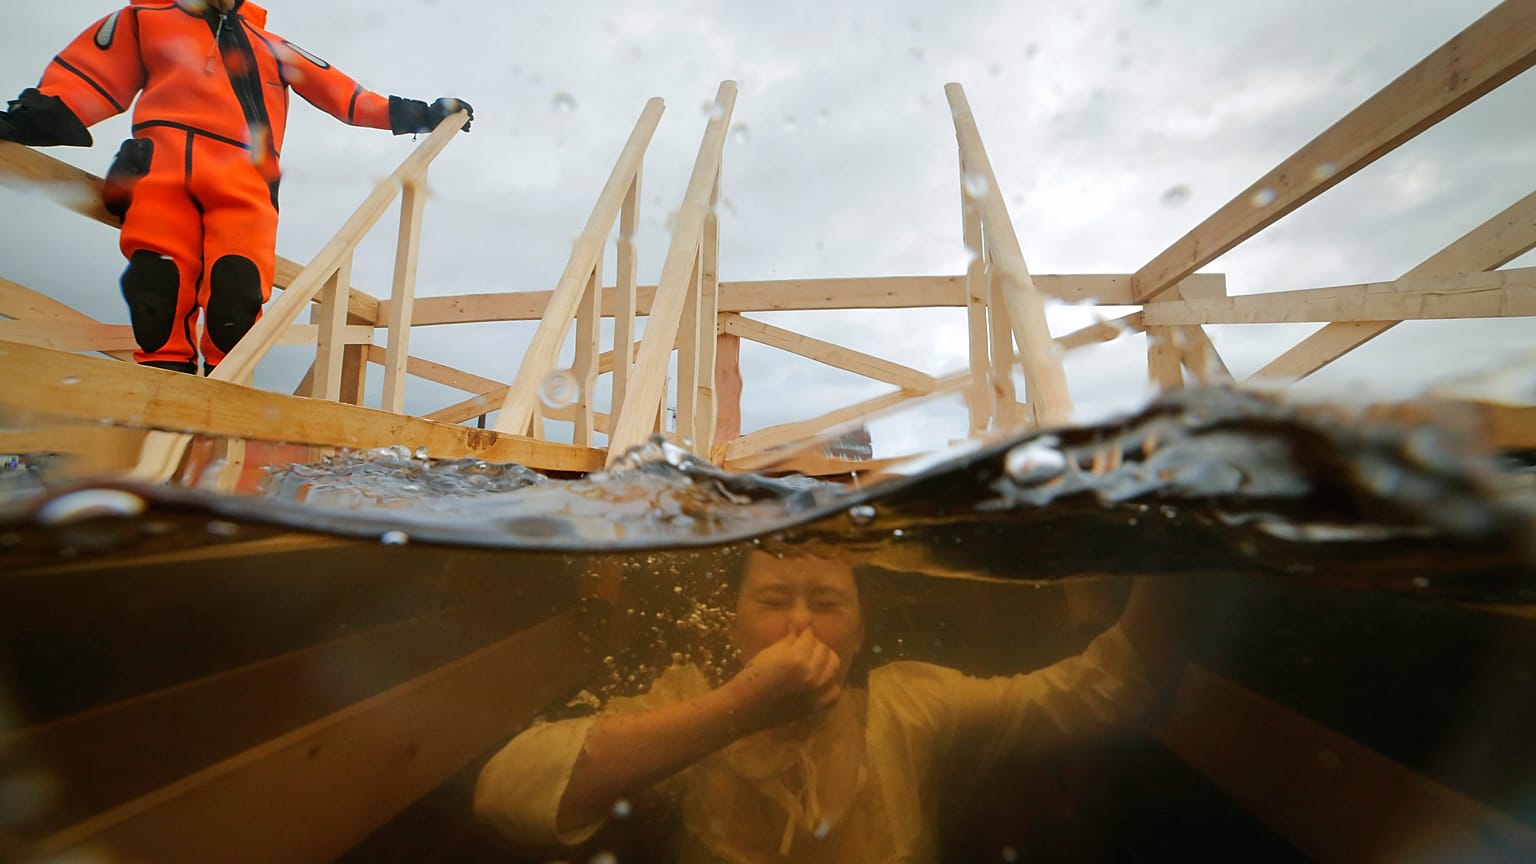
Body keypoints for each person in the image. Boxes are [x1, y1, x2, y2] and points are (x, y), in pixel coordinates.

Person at [474, 547, 1188, 863]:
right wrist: (738, 709)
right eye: (772, 600)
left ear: (859, 632)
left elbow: (1109, 689)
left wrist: (1173, 551)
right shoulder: (686, 700)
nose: (800, 624)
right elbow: (505, 793)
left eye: (826, 602)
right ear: (732, 626)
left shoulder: (912, 706)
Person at [0, 0, 472, 375]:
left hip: (244, 184)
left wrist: (427, 114)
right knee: (156, 286)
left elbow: (348, 98)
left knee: (237, 291)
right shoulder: (145, 18)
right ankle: (163, 376)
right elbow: (91, 76)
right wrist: (29, 121)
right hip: (161, 173)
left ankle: (224, 387)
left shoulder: (273, 48)